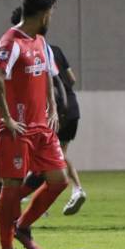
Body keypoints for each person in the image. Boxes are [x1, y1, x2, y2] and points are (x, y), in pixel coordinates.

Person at [0, 0, 69, 249]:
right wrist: (7, 119)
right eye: (52, 13)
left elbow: (46, 72)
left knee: (59, 180)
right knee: (11, 186)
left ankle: (22, 226)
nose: (52, 18)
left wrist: (53, 107)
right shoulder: (11, 42)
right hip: (16, 128)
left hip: (41, 126)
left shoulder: (39, 41)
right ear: (44, 14)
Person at [49, 44, 86, 215]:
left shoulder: (33, 53)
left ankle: (76, 189)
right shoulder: (55, 49)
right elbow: (72, 78)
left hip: (56, 110)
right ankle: (76, 189)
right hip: (72, 106)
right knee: (58, 154)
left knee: (51, 154)